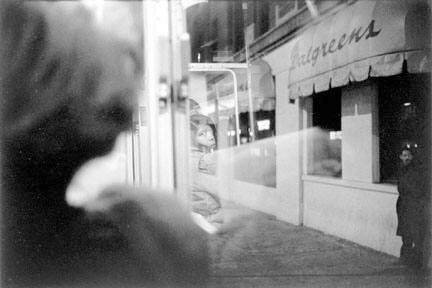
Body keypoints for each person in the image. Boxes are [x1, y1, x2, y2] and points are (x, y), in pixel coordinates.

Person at [396, 145, 429, 269]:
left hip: (415, 207)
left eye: (409, 155)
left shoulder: (417, 171)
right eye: (404, 155)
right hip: (404, 207)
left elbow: (418, 190)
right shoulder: (401, 170)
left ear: (412, 157)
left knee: (417, 235)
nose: (407, 158)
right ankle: (406, 260)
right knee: (406, 235)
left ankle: (416, 263)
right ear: (400, 157)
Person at [189, 114, 221, 221]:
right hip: (213, 219)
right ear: (192, 139)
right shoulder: (205, 161)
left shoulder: (185, 159)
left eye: (210, 131)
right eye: (202, 134)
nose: (210, 137)